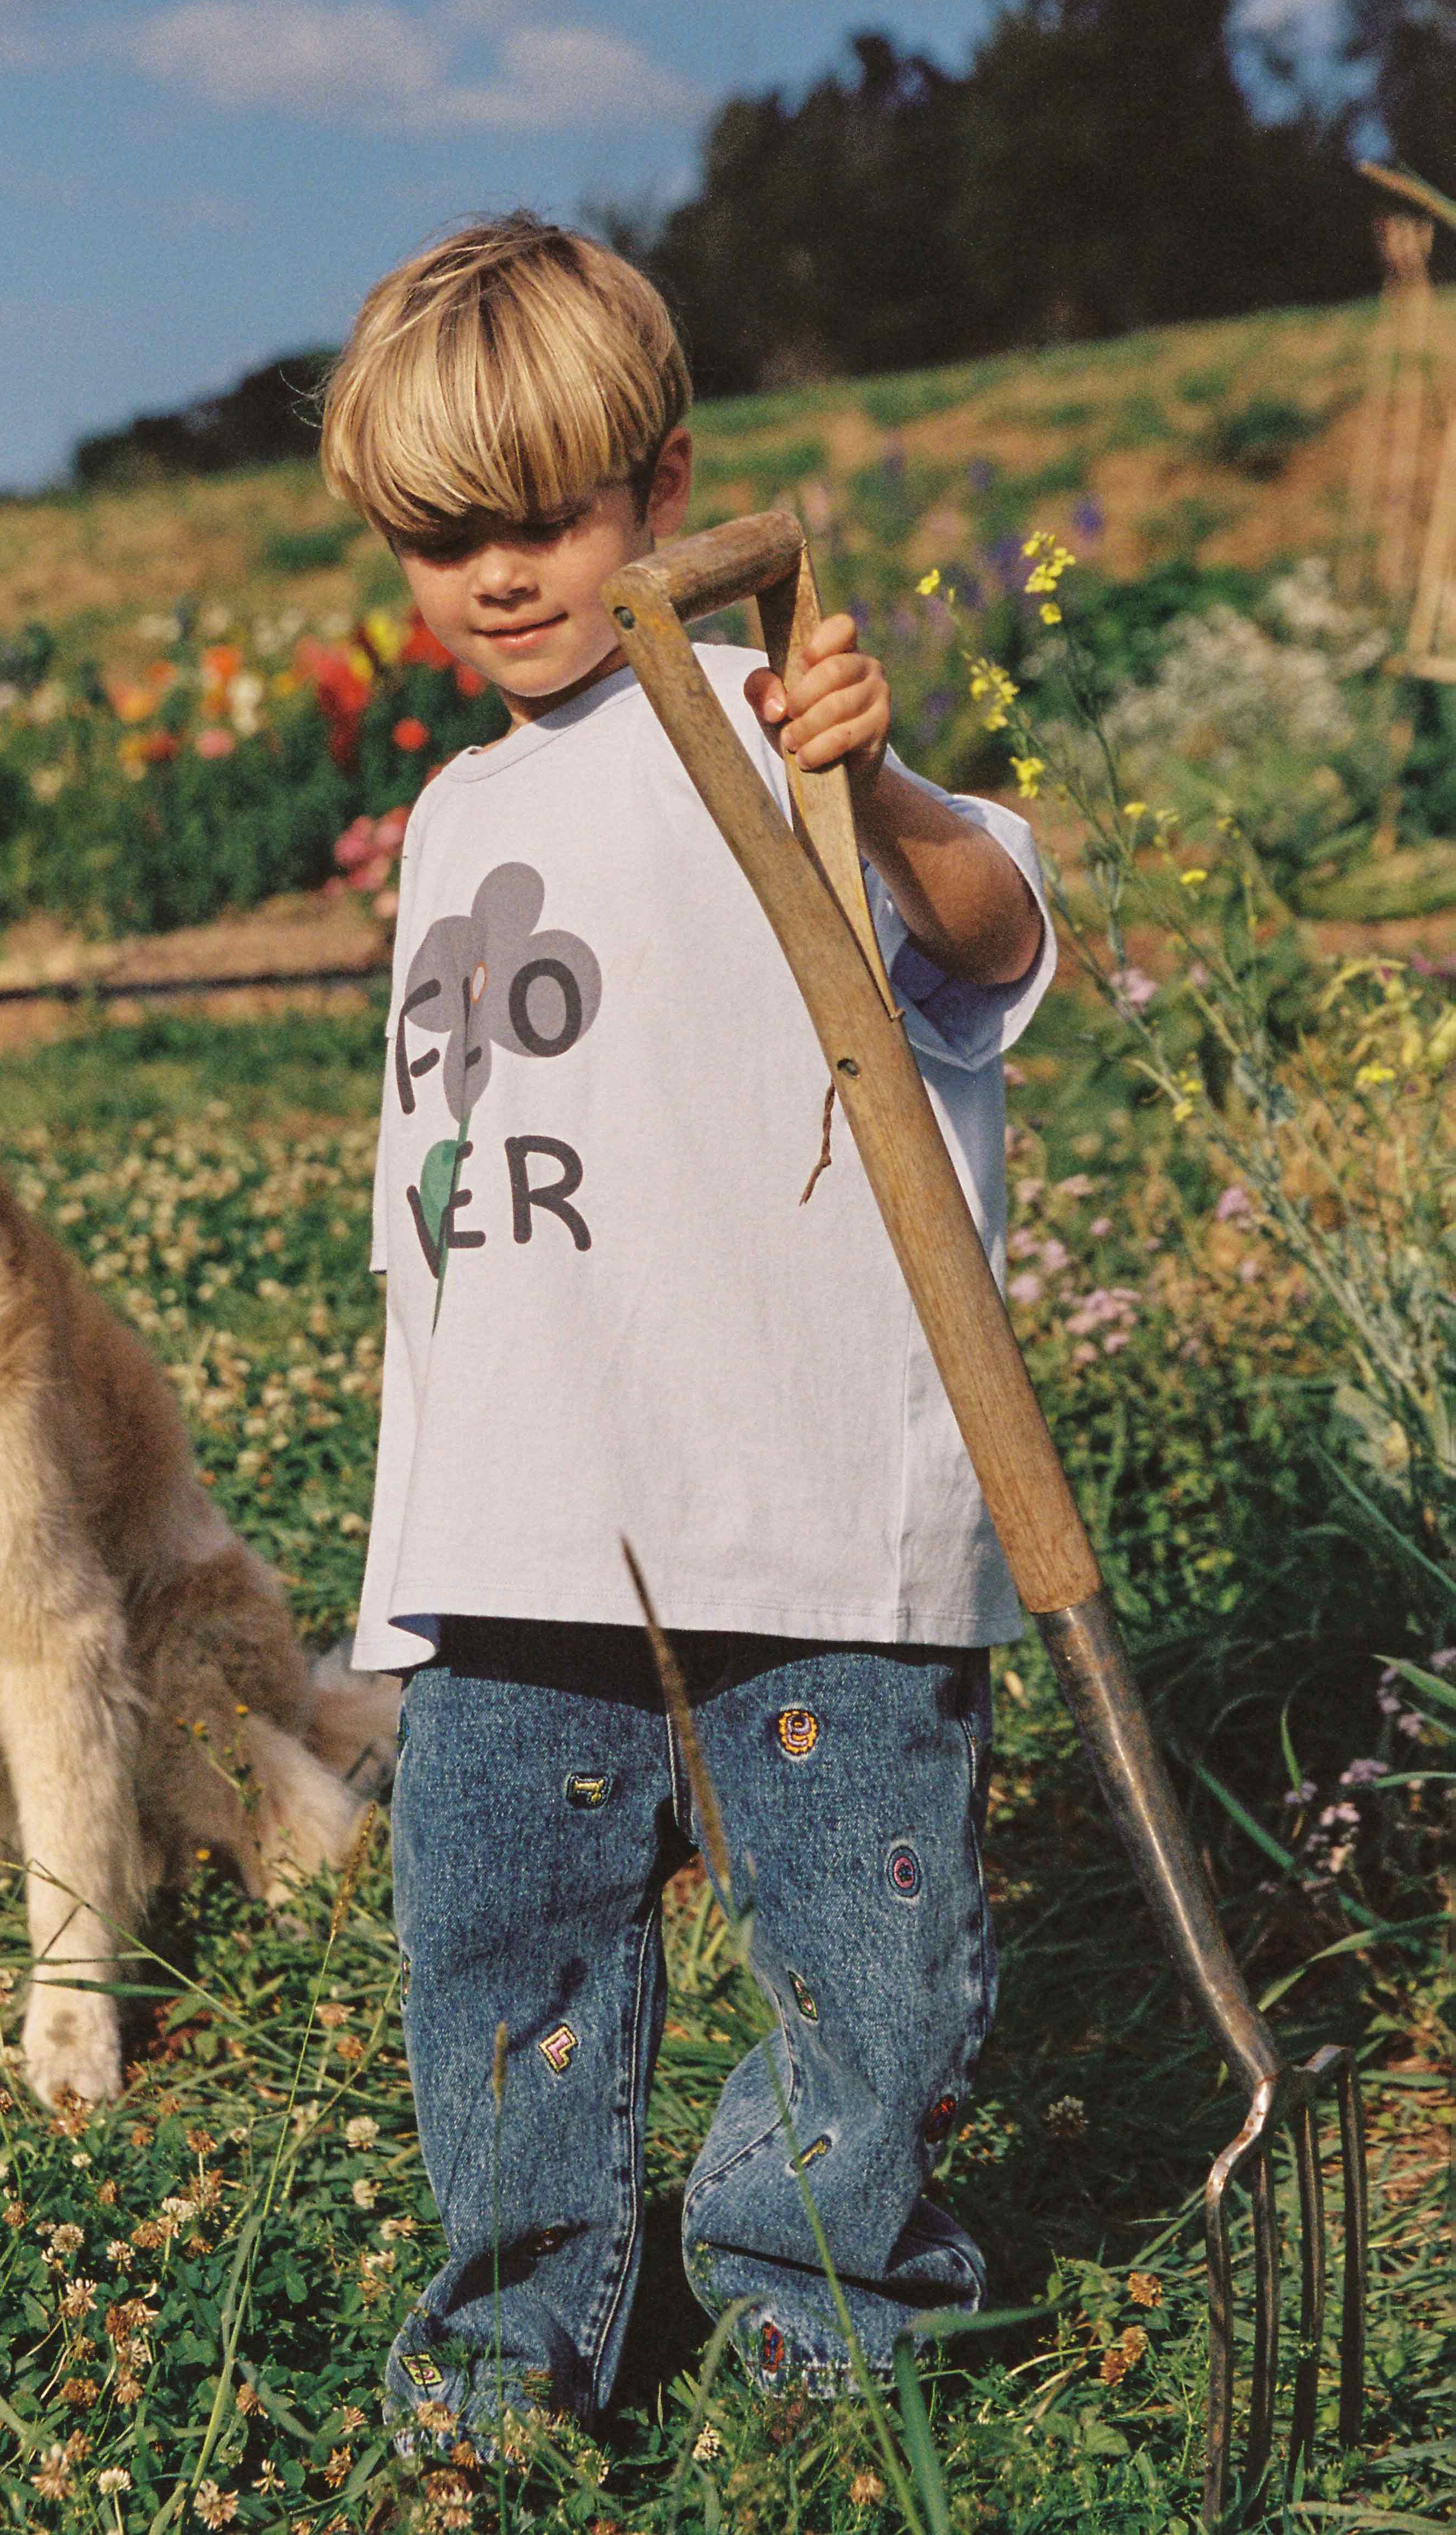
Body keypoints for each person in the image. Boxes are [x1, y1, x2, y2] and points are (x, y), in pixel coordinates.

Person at [318, 213, 1053, 2448]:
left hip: (803, 1484)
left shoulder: (757, 714)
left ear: (665, 478)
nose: (501, 578)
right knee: (497, 1950)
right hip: (528, 1506)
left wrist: (880, 780)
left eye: (544, 514)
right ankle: (518, 2336)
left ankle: (825, 2296)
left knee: (867, 1957)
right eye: (444, 539)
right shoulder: (454, 811)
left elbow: (993, 925)